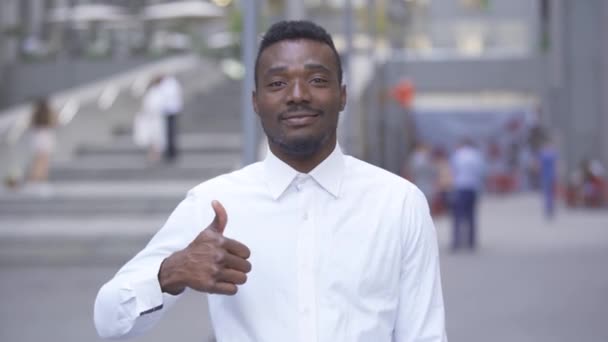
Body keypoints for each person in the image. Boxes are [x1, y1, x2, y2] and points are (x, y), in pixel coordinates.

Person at [95, 20, 447, 341]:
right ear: (256, 102)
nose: (297, 94)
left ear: (342, 96)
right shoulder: (213, 203)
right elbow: (108, 320)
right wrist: (170, 272)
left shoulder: (399, 203)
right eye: (277, 83)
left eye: (317, 80)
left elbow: (425, 334)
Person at [450, 138, 485, 251]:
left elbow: (453, 170)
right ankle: (471, 242)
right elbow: (482, 171)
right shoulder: (477, 155)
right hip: (473, 187)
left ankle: (456, 241)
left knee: (458, 216)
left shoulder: (457, 154)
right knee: (471, 215)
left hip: (460, 186)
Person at [133, 76, 166, 163]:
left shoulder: (156, 92)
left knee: (156, 138)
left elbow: (153, 106)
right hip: (153, 119)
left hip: (155, 118)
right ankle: (154, 154)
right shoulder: (155, 92)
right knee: (154, 138)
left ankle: (155, 155)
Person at [28, 97, 58, 183]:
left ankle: (37, 180)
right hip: (44, 136)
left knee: (40, 161)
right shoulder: (48, 113)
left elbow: (31, 123)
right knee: (42, 161)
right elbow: (55, 122)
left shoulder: (36, 113)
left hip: (38, 135)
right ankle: (36, 180)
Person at [158, 73, 183, 162]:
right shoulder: (172, 83)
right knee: (169, 132)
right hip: (170, 110)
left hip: (170, 110)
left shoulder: (169, 84)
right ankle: (170, 151)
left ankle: (171, 151)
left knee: (170, 132)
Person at [538, 138, 558, 219]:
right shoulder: (551, 153)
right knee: (548, 192)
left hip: (548, 175)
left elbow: (539, 165)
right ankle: (549, 208)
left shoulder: (545, 153)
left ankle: (549, 208)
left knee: (549, 192)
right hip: (548, 174)